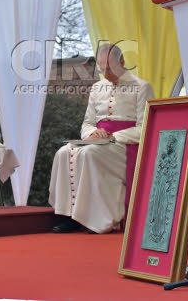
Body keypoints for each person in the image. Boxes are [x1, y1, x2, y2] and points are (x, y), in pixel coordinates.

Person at [49, 44, 155, 234]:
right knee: (63, 153)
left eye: (109, 68)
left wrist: (113, 136)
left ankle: (94, 219)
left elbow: (145, 127)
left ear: (122, 62)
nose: (105, 73)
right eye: (102, 69)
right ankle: (68, 217)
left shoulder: (142, 86)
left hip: (125, 145)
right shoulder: (97, 88)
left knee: (90, 153)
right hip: (98, 140)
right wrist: (92, 133)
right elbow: (87, 123)